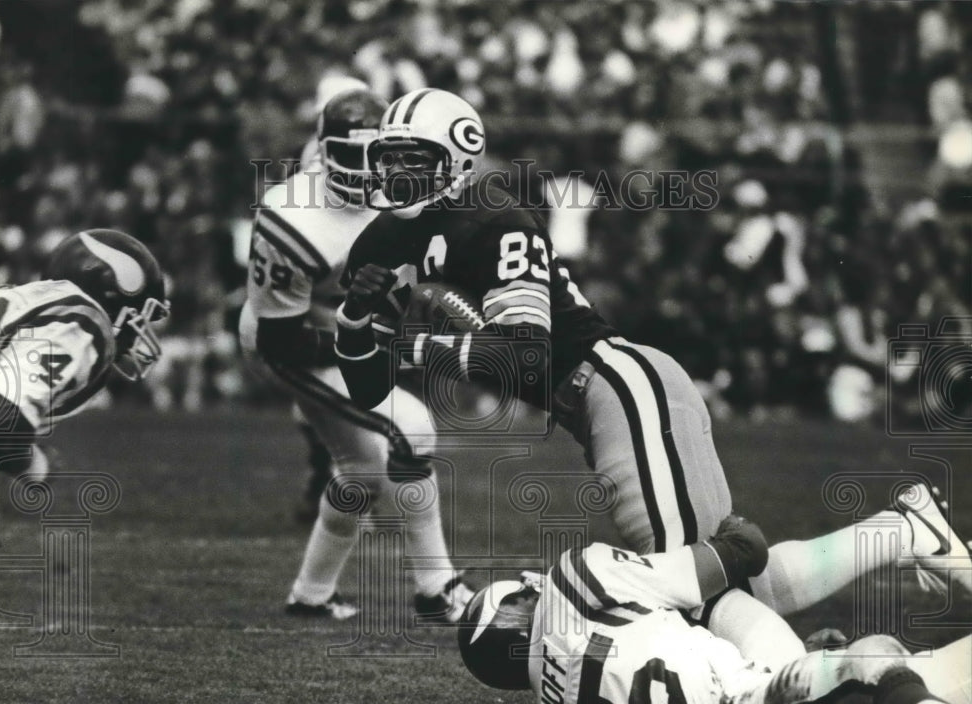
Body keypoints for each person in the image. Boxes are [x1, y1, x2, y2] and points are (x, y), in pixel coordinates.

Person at [333, 88, 971, 664]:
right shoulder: (381, 243)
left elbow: (525, 355)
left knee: (689, 586)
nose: (396, 173)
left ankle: (795, 672)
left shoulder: (495, 222)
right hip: (599, 403)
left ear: (459, 161)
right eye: (390, 158)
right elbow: (366, 389)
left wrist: (412, 348)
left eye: (415, 158)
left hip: (618, 386)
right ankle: (901, 532)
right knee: (727, 579)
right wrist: (358, 321)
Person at [456, 513, 972, 704]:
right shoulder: (575, 577)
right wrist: (728, 529)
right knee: (876, 657)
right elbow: (745, 549)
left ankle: (821, 666)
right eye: (522, 591)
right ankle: (901, 530)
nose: (532, 583)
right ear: (521, 611)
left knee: (913, 672)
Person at [238, 84, 474, 623]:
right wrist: (385, 347)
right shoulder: (292, 216)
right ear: (321, 151)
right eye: (349, 155)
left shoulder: (409, 185)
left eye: (378, 155)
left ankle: (311, 594)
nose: (366, 170)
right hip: (287, 337)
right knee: (412, 430)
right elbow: (283, 340)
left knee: (361, 472)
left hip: (345, 321)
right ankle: (437, 588)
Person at [0, 228, 169, 555]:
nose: (141, 333)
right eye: (141, 315)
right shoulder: (84, 319)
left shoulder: (14, 298)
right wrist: (35, 466)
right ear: (114, 297)